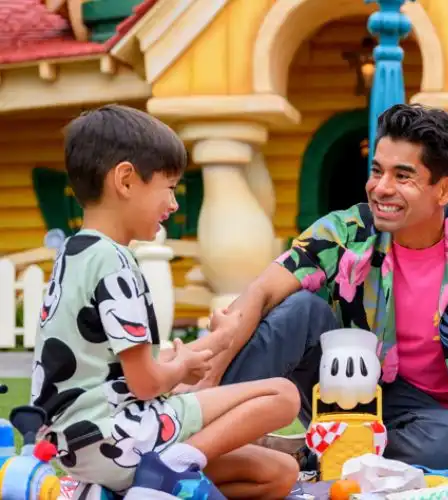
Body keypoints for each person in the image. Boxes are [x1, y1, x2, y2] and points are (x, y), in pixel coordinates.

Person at [188, 103, 448, 470]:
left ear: (445, 188)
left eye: (403, 176)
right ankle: (199, 433)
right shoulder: (343, 232)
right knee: (301, 309)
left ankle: (316, 452)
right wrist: (202, 387)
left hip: (428, 417)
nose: (381, 188)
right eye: (376, 171)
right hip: (341, 387)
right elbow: (262, 292)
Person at [30, 105, 300, 498]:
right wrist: (178, 372)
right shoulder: (115, 262)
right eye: (169, 187)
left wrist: (213, 345)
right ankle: (171, 469)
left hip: (77, 447)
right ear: (125, 180)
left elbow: (126, 374)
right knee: (282, 395)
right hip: (118, 434)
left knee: (278, 473)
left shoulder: (74, 253)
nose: (173, 204)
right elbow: (146, 384)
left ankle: (118, 491)